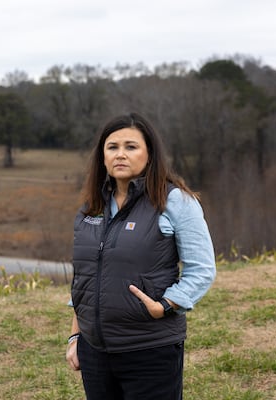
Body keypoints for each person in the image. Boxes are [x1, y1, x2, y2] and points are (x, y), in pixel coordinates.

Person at [66, 112, 216, 399]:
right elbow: (84, 277)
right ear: (102, 156)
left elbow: (202, 269)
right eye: (112, 147)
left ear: (150, 154)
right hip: (95, 352)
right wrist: (76, 336)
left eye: (131, 147)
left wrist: (165, 305)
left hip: (149, 349)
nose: (120, 154)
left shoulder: (174, 201)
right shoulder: (91, 207)